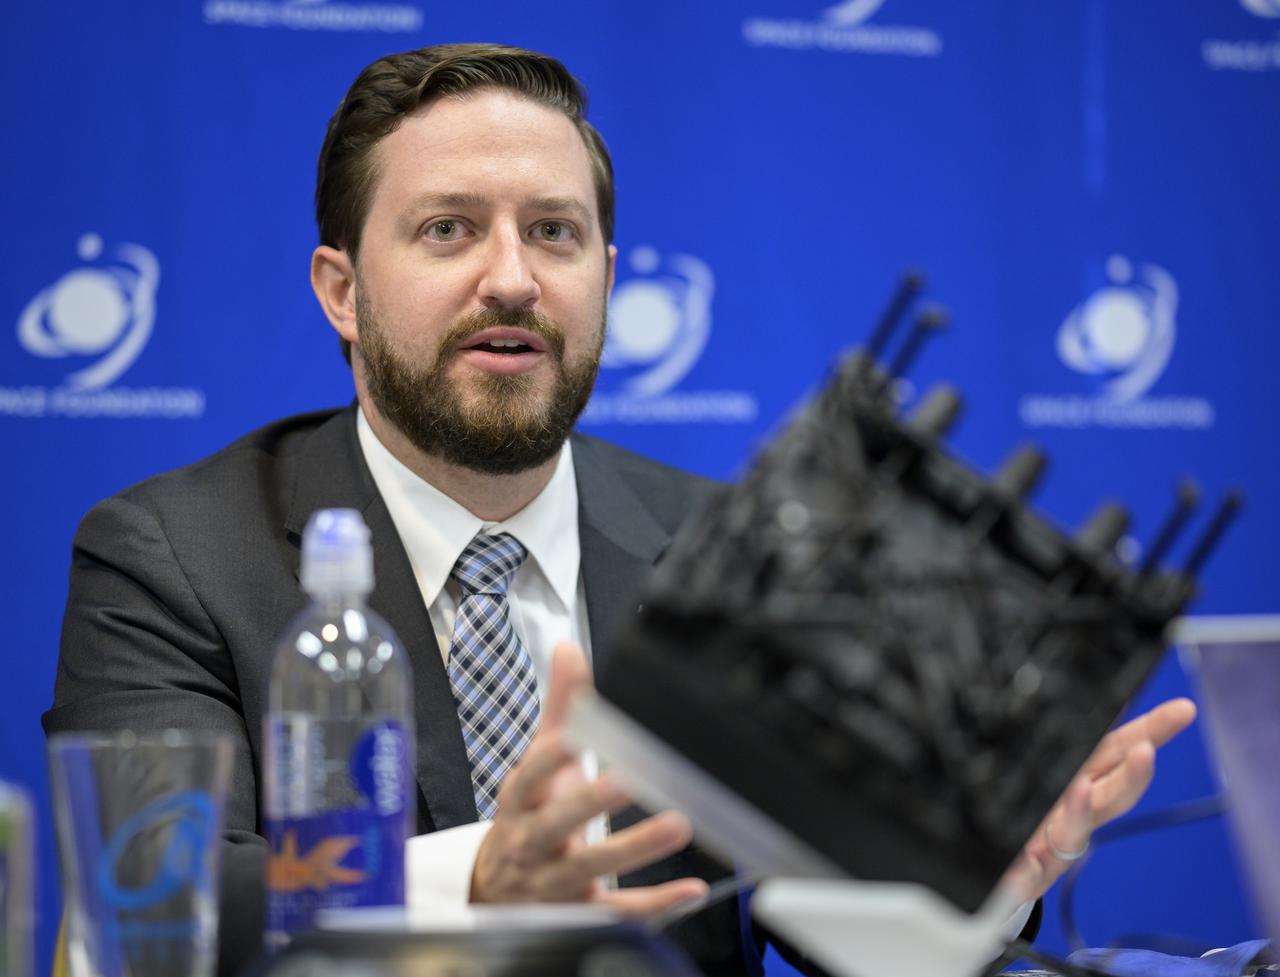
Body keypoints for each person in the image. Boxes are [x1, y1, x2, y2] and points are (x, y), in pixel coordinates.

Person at [44, 42, 1196, 977]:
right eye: (448, 229)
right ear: (341, 290)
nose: (510, 278)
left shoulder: (730, 545)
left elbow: (818, 920)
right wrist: (475, 883)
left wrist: (977, 888)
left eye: (553, 232)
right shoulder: (174, 552)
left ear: (605, 272)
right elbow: (152, 887)